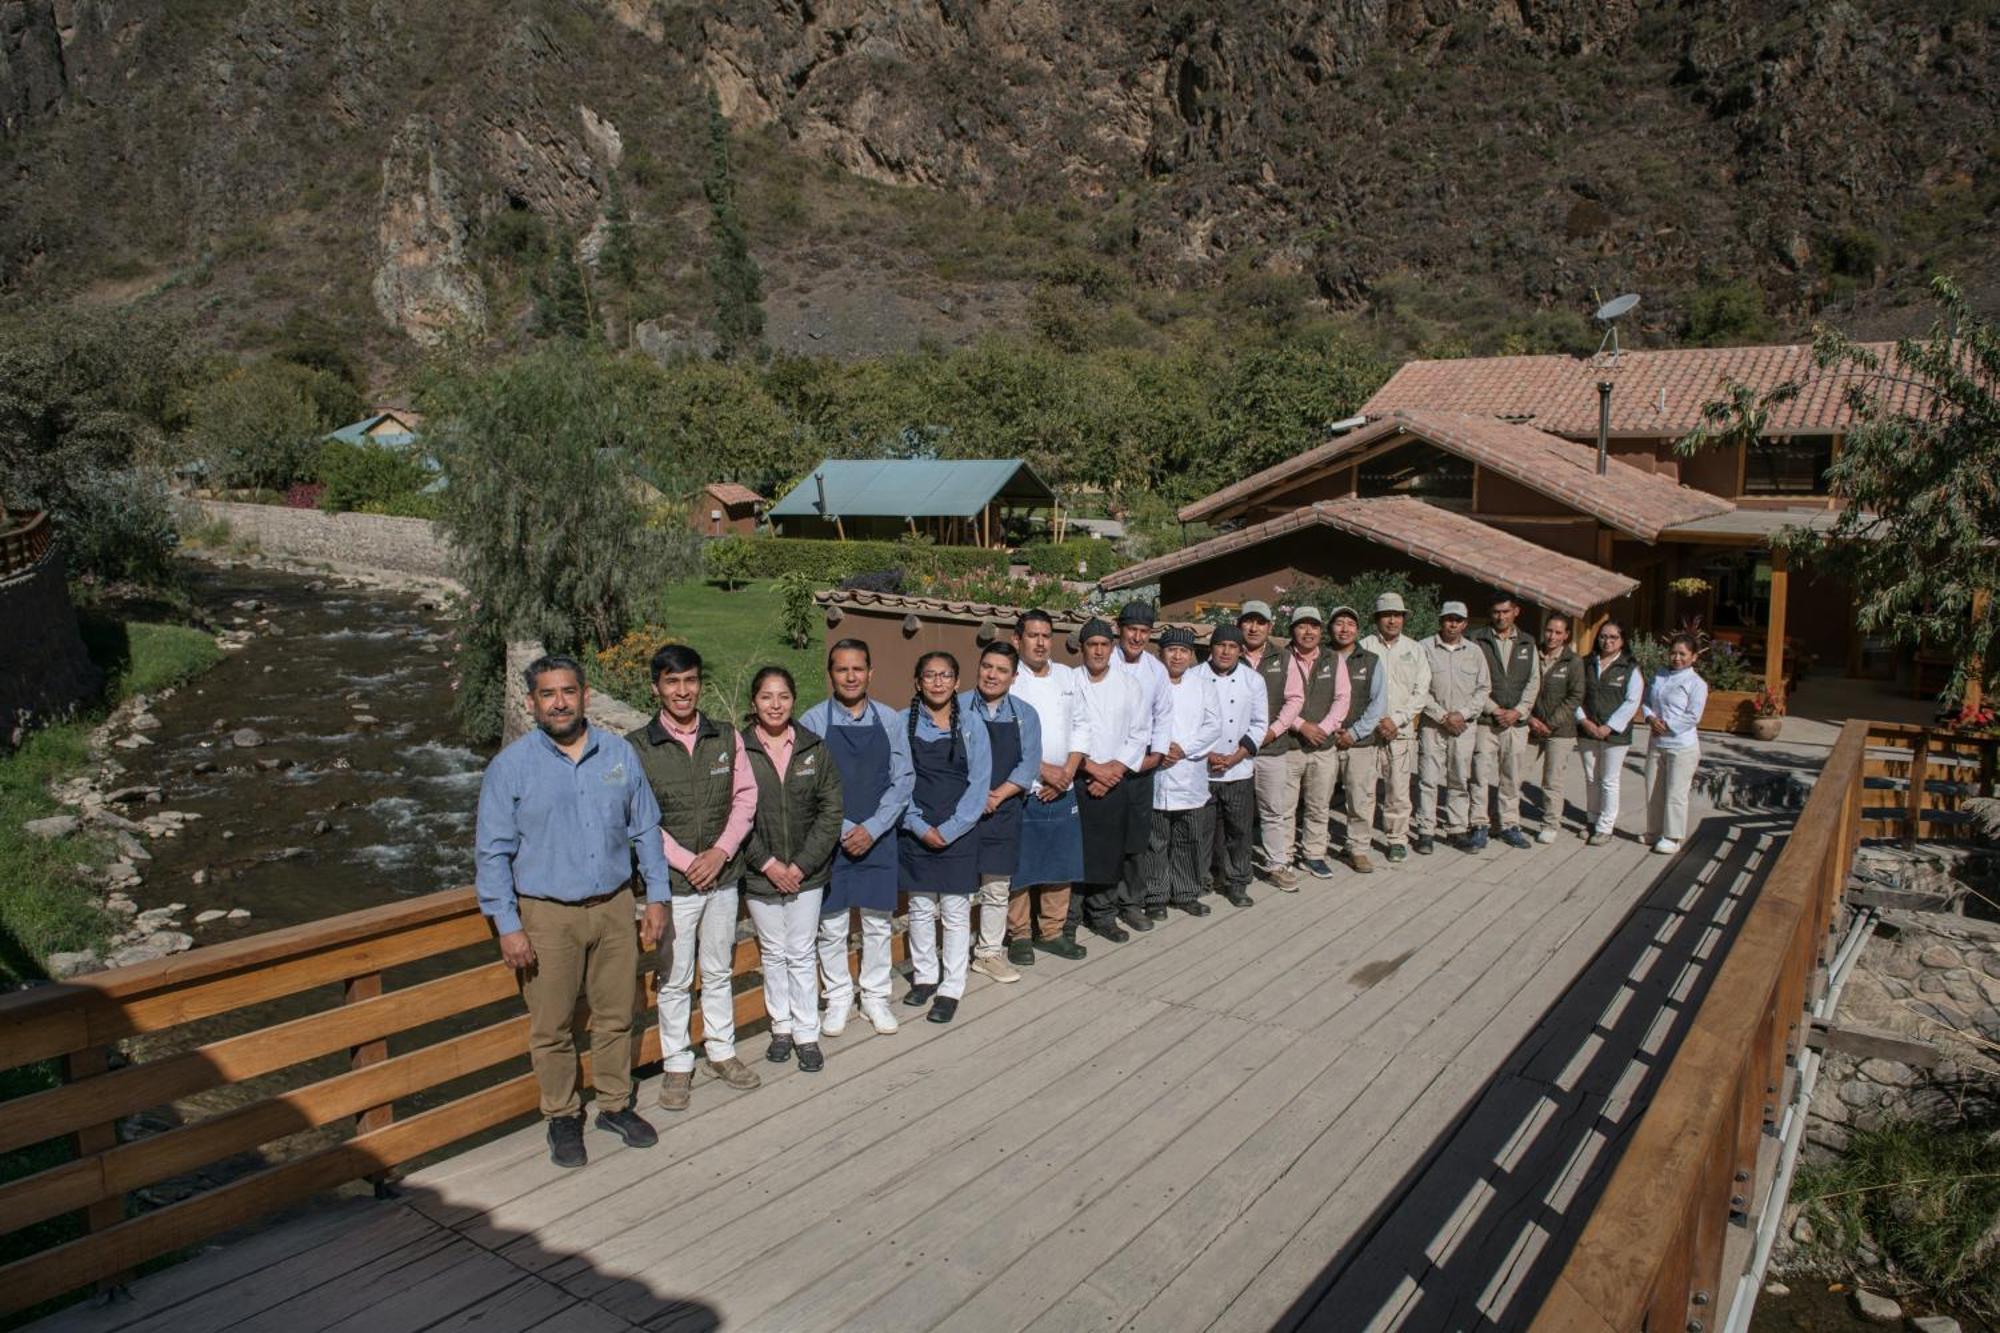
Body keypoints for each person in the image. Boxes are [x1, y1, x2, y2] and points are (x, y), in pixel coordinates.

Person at [475, 654, 668, 1168]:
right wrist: (508, 925)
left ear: (584, 694)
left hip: (614, 905)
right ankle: (562, 1117)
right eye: (547, 694)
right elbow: (492, 853)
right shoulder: (510, 768)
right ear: (532, 702)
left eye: (567, 691)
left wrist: (658, 898)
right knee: (553, 1024)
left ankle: (614, 1105)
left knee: (615, 1015)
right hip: (547, 915)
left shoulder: (618, 754)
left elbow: (646, 829)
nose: (559, 702)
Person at [626, 644, 763, 1112]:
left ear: (700, 684)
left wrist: (722, 851)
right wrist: (689, 862)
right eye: (672, 682)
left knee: (719, 967)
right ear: (656, 688)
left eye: (690, 681)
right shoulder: (639, 747)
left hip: (723, 877)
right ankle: (678, 1063)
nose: (682, 691)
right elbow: (640, 819)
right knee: (676, 975)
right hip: (677, 883)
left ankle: (721, 1050)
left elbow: (746, 798)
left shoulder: (725, 737)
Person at [801, 640, 915, 1037]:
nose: (850, 676)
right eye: (841, 669)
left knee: (877, 922)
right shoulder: (813, 722)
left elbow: (903, 780)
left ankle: (875, 997)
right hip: (830, 840)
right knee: (831, 924)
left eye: (857, 669)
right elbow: (810, 787)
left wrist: (874, 827)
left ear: (871, 673)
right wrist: (846, 828)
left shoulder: (889, 719)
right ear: (830, 673)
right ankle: (837, 998)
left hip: (879, 836)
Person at [740, 666, 844, 1073]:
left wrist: (800, 865)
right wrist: (766, 863)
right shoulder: (739, 750)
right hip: (760, 872)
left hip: (807, 873)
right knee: (773, 951)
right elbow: (734, 815)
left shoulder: (813, 749)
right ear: (754, 703)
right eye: (767, 697)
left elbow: (831, 810)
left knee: (801, 951)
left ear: (793, 700)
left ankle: (806, 1032)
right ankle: (780, 1027)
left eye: (783, 696)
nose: (775, 704)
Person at [899, 652, 992, 1024]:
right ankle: (925, 977)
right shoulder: (902, 725)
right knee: (920, 909)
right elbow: (897, 780)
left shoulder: (972, 724)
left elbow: (979, 783)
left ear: (956, 682)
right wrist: (919, 826)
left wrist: (951, 829)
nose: (937, 682)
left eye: (946, 675)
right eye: (930, 675)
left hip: (960, 831)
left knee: (954, 913)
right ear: (918, 682)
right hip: (915, 829)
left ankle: (952, 986)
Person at [1007, 610, 1090, 966]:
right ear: (1017, 640)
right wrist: (1043, 771)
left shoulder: (1068, 676)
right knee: (1020, 865)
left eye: (1046, 635)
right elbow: (1007, 738)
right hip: (1026, 787)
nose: (1041, 643)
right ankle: (1020, 935)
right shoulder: (1009, 681)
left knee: (1060, 861)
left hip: (1064, 785)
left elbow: (1082, 725)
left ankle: (1053, 932)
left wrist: (1067, 774)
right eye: (1033, 635)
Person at [961, 641, 1041, 983]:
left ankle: (988, 953)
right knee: (957, 890)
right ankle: (953, 957)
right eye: (987, 667)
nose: (992, 675)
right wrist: (974, 798)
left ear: (1014, 677)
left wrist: (998, 795)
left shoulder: (1025, 715)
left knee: (996, 888)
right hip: (962, 811)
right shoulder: (957, 706)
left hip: (1004, 810)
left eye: (1001, 670)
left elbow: (1029, 764)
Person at [1072, 618, 1152, 943]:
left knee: (1109, 850)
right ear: (1083, 648)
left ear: (1112, 648)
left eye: (1105, 645)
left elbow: (1139, 734)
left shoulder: (1130, 685)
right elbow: (1065, 731)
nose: (1099, 651)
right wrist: (1092, 768)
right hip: (1078, 776)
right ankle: (1069, 917)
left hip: (1116, 780)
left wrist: (1113, 770)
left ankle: (1103, 914)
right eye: (1093, 645)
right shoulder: (1069, 681)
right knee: (1075, 851)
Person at [1255, 606, 1346, 885]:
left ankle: (1315, 853)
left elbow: (1342, 698)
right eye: (1302, 626)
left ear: (1321, 630)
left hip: (1323, 745)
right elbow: (1288, 700)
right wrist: (1302, 725)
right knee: (1285, 806)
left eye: (1314, 626)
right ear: (1292, 629)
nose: (1308, 632)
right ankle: (1285, 855)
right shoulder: (1283, 657)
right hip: (1291, 745)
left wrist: (1324, 728)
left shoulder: (1333, 658)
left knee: (1319, 804)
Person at [1148, 626, 1222, 916]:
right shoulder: (1148, 683)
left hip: (1190, 775)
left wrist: (1184, 749)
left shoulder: (1204, 686)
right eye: (1171, 650)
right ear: (1160, 653)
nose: (1177, 656)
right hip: (1157, 773)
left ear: (1192, 656)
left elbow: (1213, 725)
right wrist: (1161, 748)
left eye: (1183, 651)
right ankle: (1155, 896)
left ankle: (1186, 892)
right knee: (1155, 841)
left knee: (1189, 839)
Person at [1109, 601, 1173, 931]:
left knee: (1136, 837)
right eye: (1131, 629)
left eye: (1144, 631)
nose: (1137, 637)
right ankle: (1102, 904)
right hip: (1105, 764)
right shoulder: (1105, 660)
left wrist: (1156, 756)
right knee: (1105, 836)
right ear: (1120, 629)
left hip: (1142, 766)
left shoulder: (1156, 670)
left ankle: (1131, 902)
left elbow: (1163, 717)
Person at [1359, 593, 1431, 864]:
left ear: (1403, 618)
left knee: (1398, 790)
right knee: (1363, 789)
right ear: (1377, 619)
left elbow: (1421, 692)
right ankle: (1360, 841)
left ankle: (1397, 840)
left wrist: (1397, 720)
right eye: (1386, 615)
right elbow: (1356, 691)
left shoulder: (1415, 650)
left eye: (1397, 615)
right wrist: (1377, 721)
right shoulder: (1363, 646)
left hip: (1400, 732)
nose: (1392, 620)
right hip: (1369, 732)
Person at [1416, 602, 1491, 855]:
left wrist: (1463, 714)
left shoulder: (1475, 652)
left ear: (1465, 624)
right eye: (1448, 619)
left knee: (1459, 778)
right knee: (1428, 778)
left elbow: (1483, 689)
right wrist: (1442, 716)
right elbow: (1419, 689)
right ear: (1441, 621)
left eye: (1458, 620)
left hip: (1464, 726)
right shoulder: (1424, 647)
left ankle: (1456, 828)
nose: (1452, 624)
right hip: (1433, 725)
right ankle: (1425, 830)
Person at [1199, 623, 1266, 906]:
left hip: (1238, 768)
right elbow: (1186, 724)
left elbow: (1260, 724)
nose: (1226, 652)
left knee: (1239, 830)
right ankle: (1200, 880)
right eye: (1220, 645)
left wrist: (1236, 756)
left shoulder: (1253, 681)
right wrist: (1208, 754)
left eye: (1232, 647)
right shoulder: (1194, 676)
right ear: (1211, 648)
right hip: (1201, 768)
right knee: (1201, 831)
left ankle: (1237, 881)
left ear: (1240, 651)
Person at [1470, 590, 1541, 851]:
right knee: (1479, 774)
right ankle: (1479, 824)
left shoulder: (1527, 642)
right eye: (1496, 612)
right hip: (1486, 722)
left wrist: (1519, 711)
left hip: (1516, 724)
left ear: (1516, 612)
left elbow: (1534, 682)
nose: (1501, 616)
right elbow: (1473, 680)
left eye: (1505, 611)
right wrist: (1493, 708)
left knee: (1511, 776)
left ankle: (1509, 825)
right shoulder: (1477, 640)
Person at [1322, 606, 1387, 873]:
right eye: (1339, 623)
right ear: (1330, 628)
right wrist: (1327, 729)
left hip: (1359, 742)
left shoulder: (1370, 660)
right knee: (1318, 798)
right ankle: (1316, 846)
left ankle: (1358, 848)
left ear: (1357, 630)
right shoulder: (1320, 657)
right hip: (1324, 741)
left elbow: (1378, 703)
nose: (1344, 629)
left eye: (1350, 623)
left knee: (1360, 798)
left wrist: (1354, 733)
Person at [1577, 619, 1644, 847]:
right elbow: (1576, 694)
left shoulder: (1630, 667)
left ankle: (1605, 827)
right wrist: (1584, 721)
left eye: (1613, 637)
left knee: (1609, 780)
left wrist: (1609, 726)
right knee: (1591, 777)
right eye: (1604, 636)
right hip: (1587, 729)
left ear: (1622, 641)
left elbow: (1632, 701)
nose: (1607, 641)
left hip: (1615, 734)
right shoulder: (1586, 663)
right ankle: (1592, 820)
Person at [1642, 632, 1708, 854]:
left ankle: (1672, 836)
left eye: (1683, 654)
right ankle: (1654, 831)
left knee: (1675, 793)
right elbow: (1647, 701)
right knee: (1652, 788)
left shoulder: (1696, 683)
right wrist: (1650, 717)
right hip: (1657, 742)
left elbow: (1693, 715)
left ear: (1694, 657)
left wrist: (1667, 725)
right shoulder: (1659, 675)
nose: (1677, 658)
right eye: (1673, 653)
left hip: (1681, 746)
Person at [1526, 613, 1586, 843]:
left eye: (1558, 632)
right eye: (1549, 631)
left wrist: (1550, 723)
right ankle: (1506, 819)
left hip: (1559, 731)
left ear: (1566, 635)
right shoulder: (1532, 653)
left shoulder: (1574, 662)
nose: (1552, 636)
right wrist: (1531, 719)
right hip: (1531, 725)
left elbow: (1576, 696)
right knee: (1514, 772)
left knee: (1552, 780)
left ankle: (1550, 823)